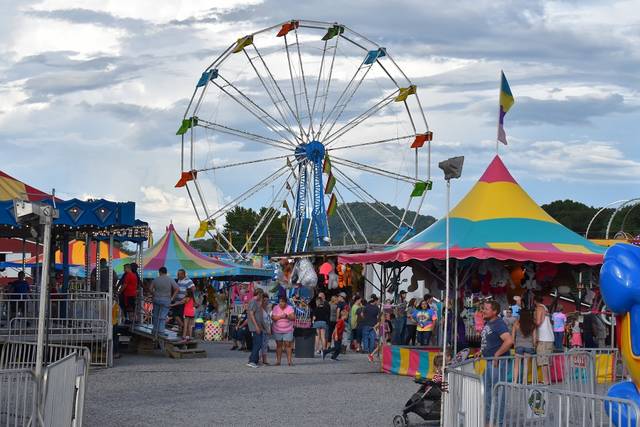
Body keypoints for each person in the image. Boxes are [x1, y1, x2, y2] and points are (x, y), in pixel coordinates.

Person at [480, 300, 513, 423]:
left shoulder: (499, 323)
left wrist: (497, 354)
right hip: (489, 362)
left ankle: (498, 421)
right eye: (484, 308)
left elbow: (509, 341)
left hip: (496, 363)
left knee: (497, 391)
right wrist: (481, 351)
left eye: (486, 309)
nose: (484, 310)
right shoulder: (489, 322)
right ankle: (489, 420)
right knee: (487, 391)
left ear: (495, 311)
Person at [150, 266, 178, 339]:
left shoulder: (156, 279)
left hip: (156, 298)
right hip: (166, 299)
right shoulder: (170, 279)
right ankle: (161, 331)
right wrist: (172, 298)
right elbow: (177, 288)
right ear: (166, 272)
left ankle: (154, 330)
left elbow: (150, 289)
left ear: (160, 272)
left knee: (155, 314)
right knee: (163, 316)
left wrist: (154, 294)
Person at [534, 294, 555, 383]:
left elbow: (538, 322)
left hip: (543, 337)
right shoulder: (546, 309)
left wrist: (532, 322)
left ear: (534, 301)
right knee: (546, 361)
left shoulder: (539, 308)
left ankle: (546, 380)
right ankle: (547, 379)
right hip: (549, 337)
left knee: (543, 360)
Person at [512, 309, 536, 383]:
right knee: (526, 365)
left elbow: (512, 337)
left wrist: (514, 345)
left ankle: (515, 381)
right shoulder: (532, 324)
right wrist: (534, 346)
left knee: (516, 365)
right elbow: (534, 338)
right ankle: (524, 382)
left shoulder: (516, 323)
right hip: (529, 346)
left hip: (519, 346)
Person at [271, 296, 294, 366]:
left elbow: (293, 317)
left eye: (282, 302)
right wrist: (281, 317)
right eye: (280, 302)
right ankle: (278, 361)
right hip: (277, 329)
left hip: (288, 329)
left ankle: (289, 361)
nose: (281, 304)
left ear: (285, 302)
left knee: (288, 345)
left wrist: (287, 316)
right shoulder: (276, 308)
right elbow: (273, 318)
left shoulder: (290, 308)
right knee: (279, 345)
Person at [246, 288, 264, 368]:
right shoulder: (253, 302)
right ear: (259, 294)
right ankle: (252, 361)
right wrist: (256, 326)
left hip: (256, 325)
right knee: (258, 343)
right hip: (254, 326)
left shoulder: (254, 302)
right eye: (261, 295)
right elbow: (251, 314)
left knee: (257, 343)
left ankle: (254, 360)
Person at [260, 294, 272, 365]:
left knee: (265, 345)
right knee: (260, 345)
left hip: (267, 329)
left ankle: (264, 360)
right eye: (264, 300)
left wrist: (269, 329)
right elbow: (260, 321)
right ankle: (258, 359)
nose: (266, 302)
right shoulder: (260, 309)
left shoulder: (267, 309)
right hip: (262, 329)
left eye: (267, 300)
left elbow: (268, 320)